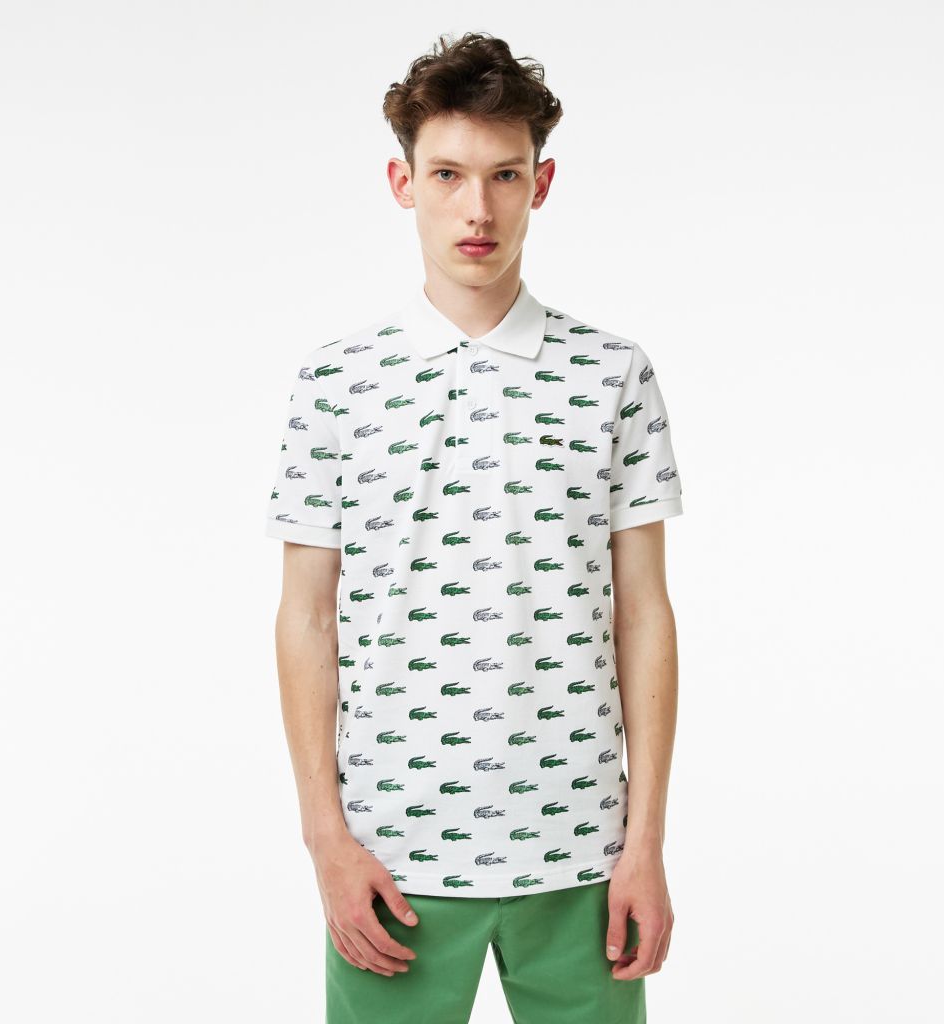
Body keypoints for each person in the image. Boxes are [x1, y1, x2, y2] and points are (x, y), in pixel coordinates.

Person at [265, 30, 683, 1024]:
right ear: (402, 182)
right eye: (448, 174)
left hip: (582, 852)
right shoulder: (335, 383)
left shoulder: (613, 374)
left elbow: (644, 615)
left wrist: (645, 844)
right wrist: (326, 841)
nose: (477, 209)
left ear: (542, 183)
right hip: (391, 858)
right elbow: (306, 618)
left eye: (504, 175)